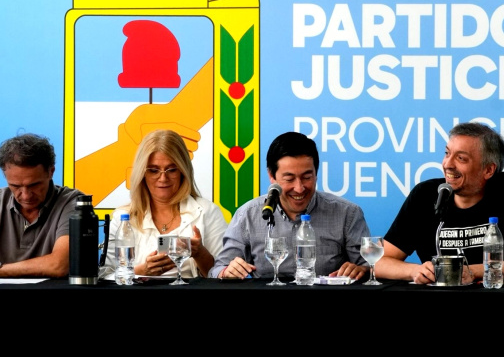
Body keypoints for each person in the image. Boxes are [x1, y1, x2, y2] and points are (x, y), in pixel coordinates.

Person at [375, 121, 504, 285]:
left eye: (461, 158)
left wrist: (470, 272)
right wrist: (414, 271)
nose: (448, 164)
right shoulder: (424, 195)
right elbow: (379, 263)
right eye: (447, 153)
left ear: (488, 170)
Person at [210, 131, 371, 280]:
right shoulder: (248, 215)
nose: (299, 188)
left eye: (307, 177)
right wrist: (227, 271)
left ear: (316, 173)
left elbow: (370, 267)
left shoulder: (347, 214)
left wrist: (362, 270)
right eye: (289, 179)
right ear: (271, 176)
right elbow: (217, 270)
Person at [104, 129, 228, 279]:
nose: (163, 178)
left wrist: (199, 253)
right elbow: (105, 275)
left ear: (183, 171)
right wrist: (141, 271)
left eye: (172, 170)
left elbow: (224, 275)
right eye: (154, 170)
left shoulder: (207, 212)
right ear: (142, 174)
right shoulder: (123, 218)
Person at [0, 133, 84, 277]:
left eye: (34, 185)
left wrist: (2, 270)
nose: (25, 196)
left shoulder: (74, 203)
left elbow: (59, 265)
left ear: (51, 172)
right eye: (15, 186)